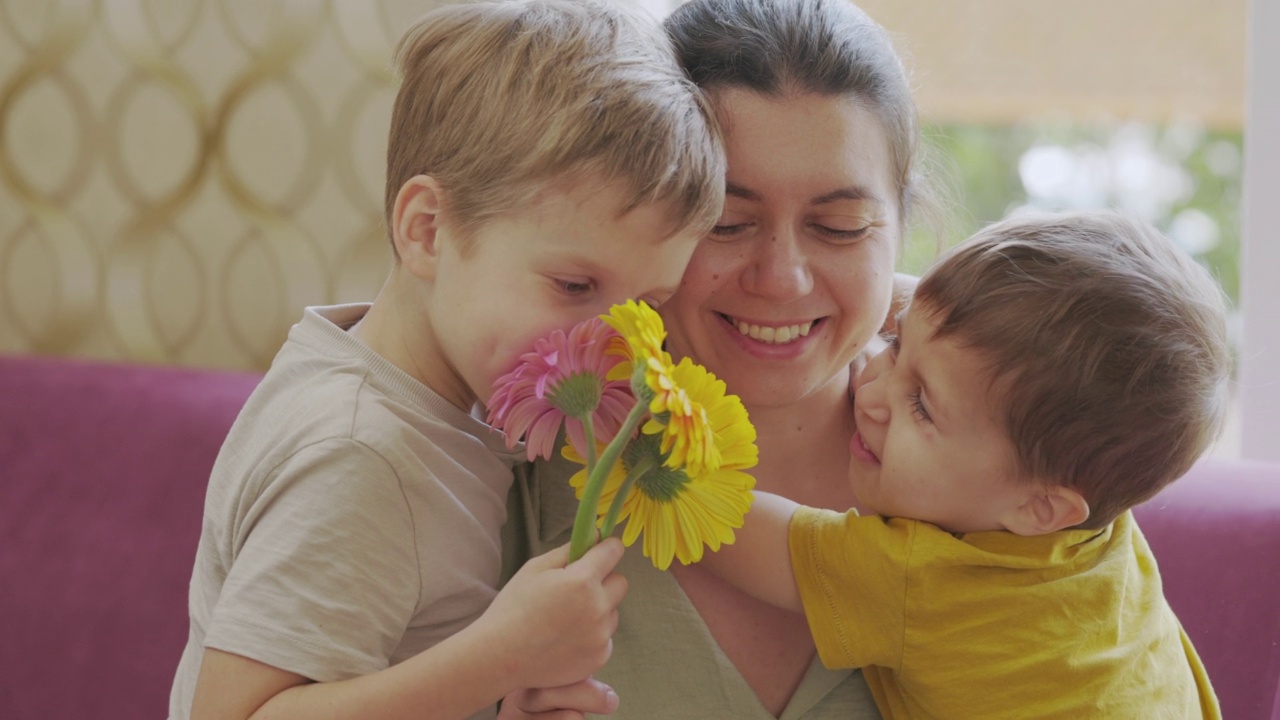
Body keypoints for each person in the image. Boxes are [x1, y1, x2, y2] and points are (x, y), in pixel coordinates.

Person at [167, 1, 725, 718]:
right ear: (427, 230)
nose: (608, 346)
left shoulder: (417, 391)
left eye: (645, 304)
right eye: (574, 287)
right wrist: (499, 656)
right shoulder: (361, 451)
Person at [501, 0, 937, 717]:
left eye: (840, 227)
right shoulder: (525, 457)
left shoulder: (1008, 458)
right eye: (725, 223)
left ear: (900, 230)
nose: (782, 277)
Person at [699, 210, 1229, 719]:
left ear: (1041, 506)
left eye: (922, 406)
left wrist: (636, 441)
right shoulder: (1085, 495)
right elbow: (960, 340)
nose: (875, 391)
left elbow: (729, 525)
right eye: (896, 343)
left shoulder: (926, 582)